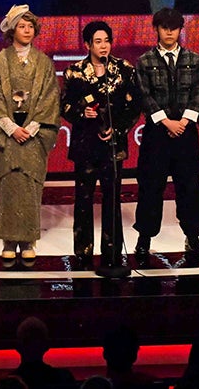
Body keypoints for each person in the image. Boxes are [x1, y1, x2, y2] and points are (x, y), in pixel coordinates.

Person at [0, 6, 62, 266]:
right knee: (8, 186)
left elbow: (50, 98)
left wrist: (33, 126)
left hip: (34, 133)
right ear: (12, 30)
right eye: (21, 26)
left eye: (30, 27)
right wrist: (11, 128)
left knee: (30, 187)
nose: (27, 31)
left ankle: (28, 241)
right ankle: (8, 241)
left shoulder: (44, 63)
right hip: (8, 132)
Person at [61, 20, 140, 264]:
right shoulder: (74, 72)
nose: (103, 46)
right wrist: (81, 112)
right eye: (98, 41)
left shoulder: (124, 70)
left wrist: (117, 129)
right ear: (87, 44)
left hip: (112, 146)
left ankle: (112, 253)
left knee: (112, 199)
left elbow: (133, 107)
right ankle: (83, 253)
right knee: (83, 200)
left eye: (107, 41)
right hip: (85, 145)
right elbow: (64, 106)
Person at [132, 7, 199, 262]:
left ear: (180, 30)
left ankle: (193, 236)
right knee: (151, 187)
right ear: (156, 29)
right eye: (165, 28)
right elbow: (144, 96)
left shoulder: (194, 59)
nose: (169, 32)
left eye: (174, 28)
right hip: (157, 135)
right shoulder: (145, 61)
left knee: (190, 187)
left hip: (186, 133)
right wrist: (166, 122)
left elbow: (198, 92)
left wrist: (184, 121)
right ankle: (144, 238)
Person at [12, 317, 76, 389]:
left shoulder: (9, 384)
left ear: (18, 347)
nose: (33, 346)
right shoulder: (63, 378)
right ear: (46, 346)